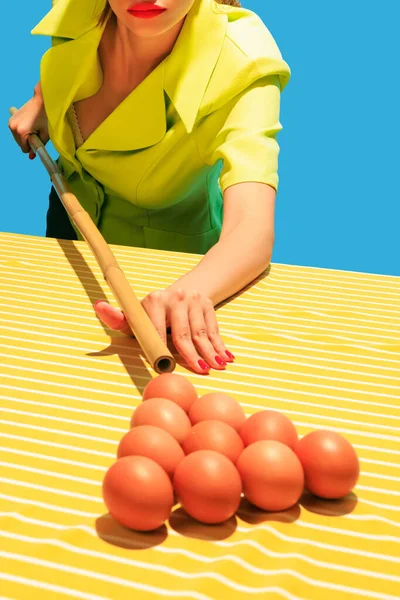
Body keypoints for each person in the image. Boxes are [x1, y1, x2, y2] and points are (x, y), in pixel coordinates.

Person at [9, 0, 290, 374]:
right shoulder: (80, 8)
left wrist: (186, 294)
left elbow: (252, 228)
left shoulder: (244, 60)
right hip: (69, 229)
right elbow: (67, 49)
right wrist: (43, 100)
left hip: (166, 277)